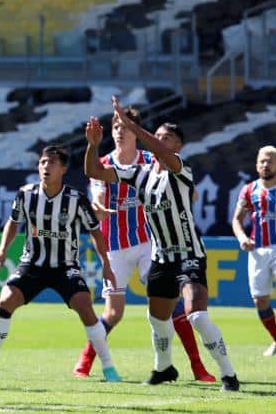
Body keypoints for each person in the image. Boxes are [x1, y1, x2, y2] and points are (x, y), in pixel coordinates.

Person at [85, 100, 239, 391]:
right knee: (157, 319)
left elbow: (158, 150)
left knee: (196, 315)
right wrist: (93, 144)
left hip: (188, 256)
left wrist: (131, 126)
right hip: (161, 259)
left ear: (177, 146)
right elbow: (94, 171)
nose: (160, 140)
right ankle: (164, 368)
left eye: (167, 138)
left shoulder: (181, 170)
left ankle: (229, 374)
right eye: (158, 135)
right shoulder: (139, 174)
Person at [0, 146, 122, 383]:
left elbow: (95, 232)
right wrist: (2, 250)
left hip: (65, 266)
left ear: (63, 169)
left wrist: (106, 265)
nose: (45, 167)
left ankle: (109, 368)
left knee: (84, 305)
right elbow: (13, 223)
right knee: (6, 300)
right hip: (32, 265)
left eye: (51, 163)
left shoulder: (76, 198)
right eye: (42, 162)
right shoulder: (26, 193)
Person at [231, 145, 276, 357]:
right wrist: (241, 238)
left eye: (270, 161)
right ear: (257, 165)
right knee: (261, 300)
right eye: (262, 161)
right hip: (257, 251)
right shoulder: (249, 190)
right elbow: (237, 220)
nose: (265, 165)